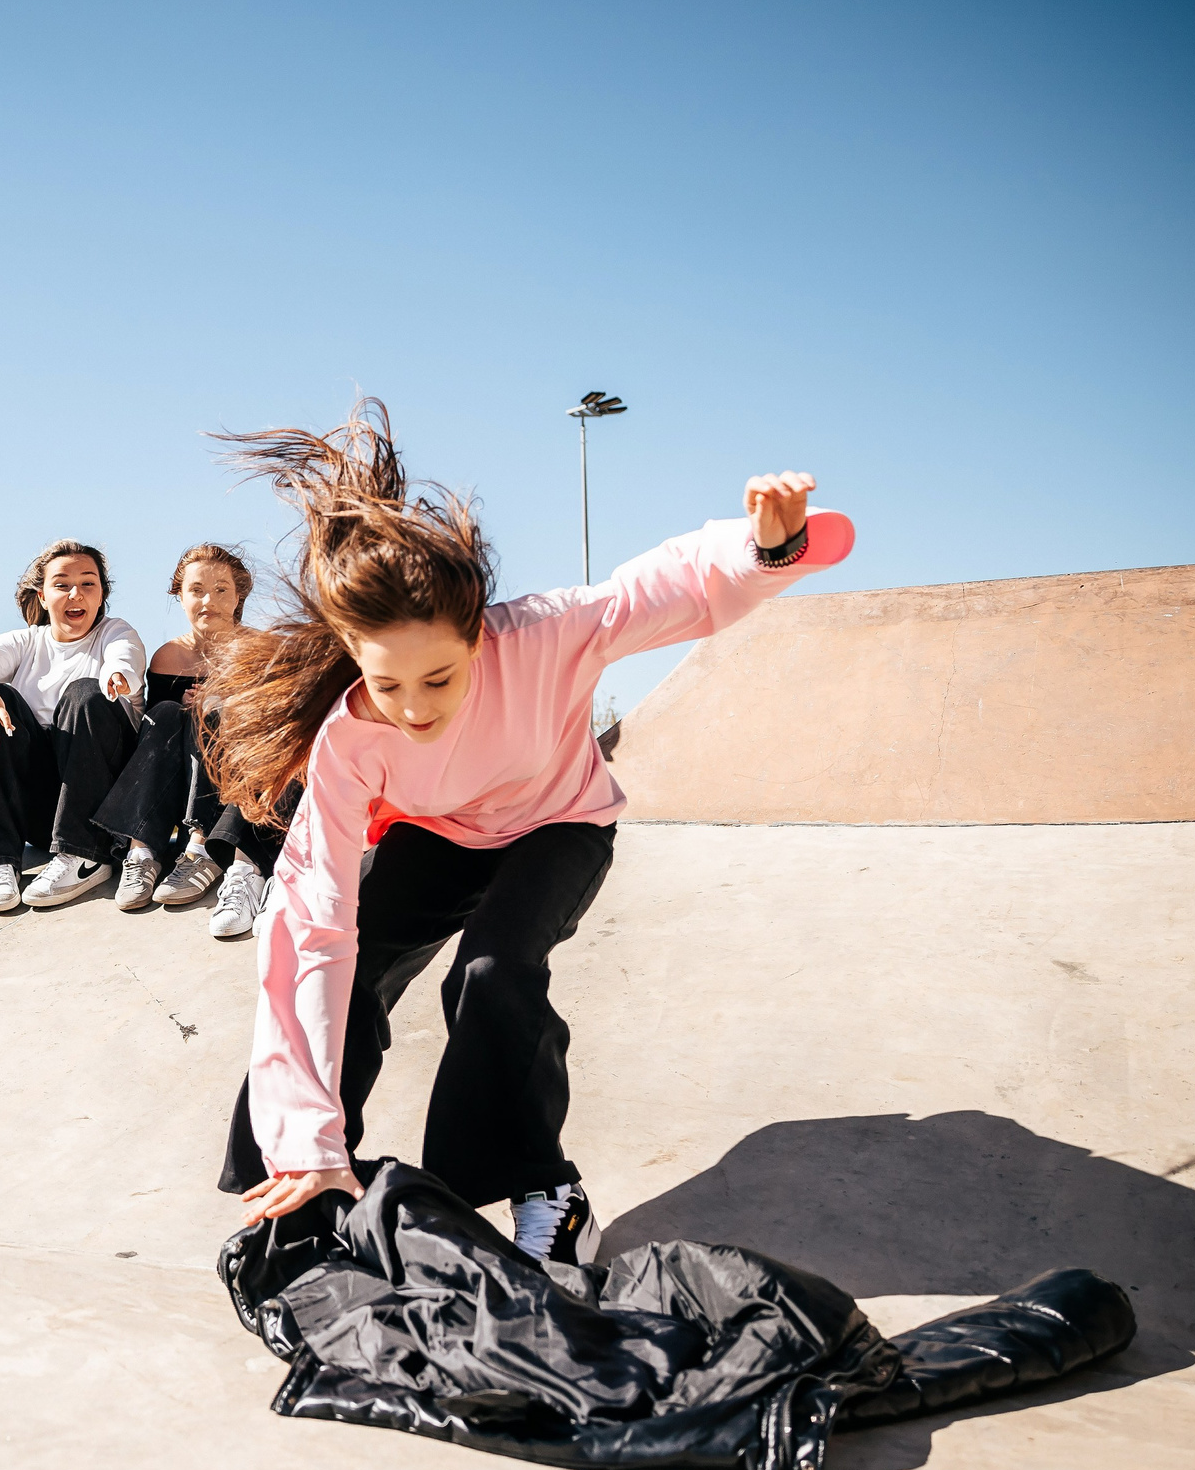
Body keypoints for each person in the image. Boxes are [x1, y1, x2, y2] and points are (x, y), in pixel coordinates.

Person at [208, 399, 852, 1262]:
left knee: (493, 966)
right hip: (441, 838)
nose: (415, 708)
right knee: (350, 963)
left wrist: (763, 548)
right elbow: (308, 927)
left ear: (477, 634)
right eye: (389, 684)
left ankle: (545, 1187)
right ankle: (311, 1177)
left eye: (440, 677)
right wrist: (304, 1136)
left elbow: (662, 586)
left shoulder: (548, 634)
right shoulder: (351, 738)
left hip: (560, 824)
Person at [93, 542, 287, 932]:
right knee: (166, 712)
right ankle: (143, 850)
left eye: (221, 590)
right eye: (196, 590)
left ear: (238, 596)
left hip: (236, 784)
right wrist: (186, 707)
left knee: (214, 709)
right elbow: (155, 746)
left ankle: (202, 849)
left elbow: (278, 732)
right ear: (179, 596)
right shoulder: (168, 657)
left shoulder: (262, 650)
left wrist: (229, 700)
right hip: (179, 785)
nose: (208, 600)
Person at [0, 540, 147, 912]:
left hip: (99, 807)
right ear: (42, 595)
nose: (76, 594)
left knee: (86, 694)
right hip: (40, 812)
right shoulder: (27, 642)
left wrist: (117, 675)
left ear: (102, 593)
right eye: (62, 584)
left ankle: (85, 857)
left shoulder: (115, 633)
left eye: (88, 583)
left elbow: (126, 658)